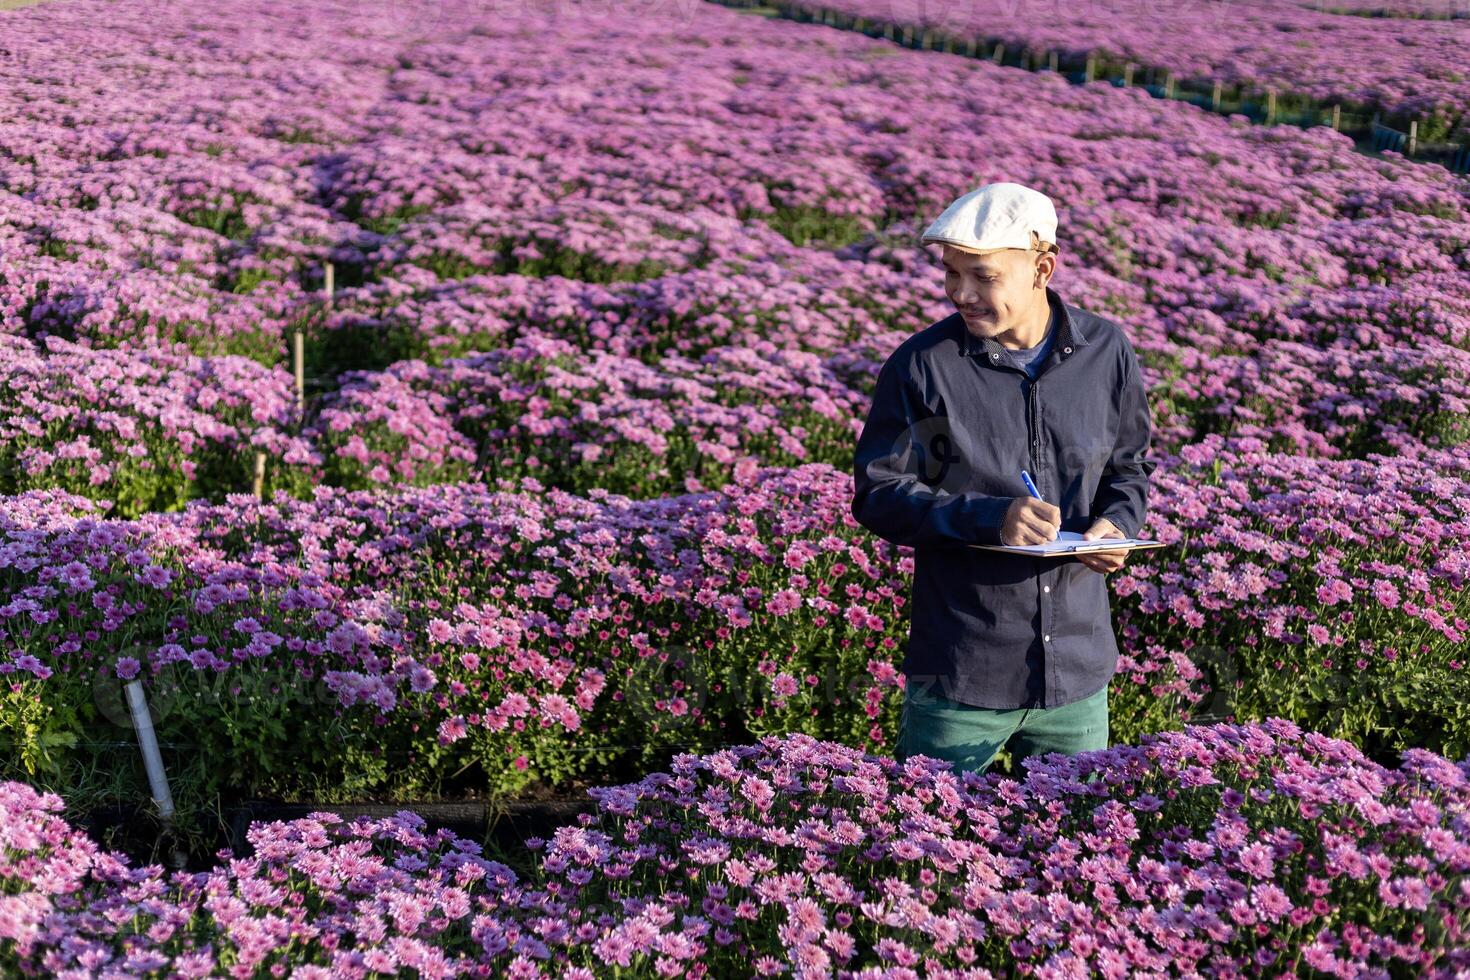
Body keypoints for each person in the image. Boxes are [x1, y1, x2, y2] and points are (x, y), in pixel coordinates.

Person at [850, 181, 1157, 777]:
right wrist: (990, 517)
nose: (961, 294)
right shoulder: (925, 367)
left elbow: (1129, 465)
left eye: (983, 277)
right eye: (951, 274)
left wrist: (1118, 524)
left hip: (1077, 672)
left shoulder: (1106, 352)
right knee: (930, 845)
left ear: (1042, 267)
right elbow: (880, 493)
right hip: (963, 670)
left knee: (1080, 850)